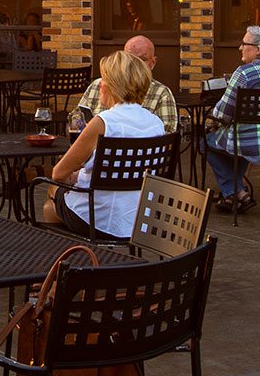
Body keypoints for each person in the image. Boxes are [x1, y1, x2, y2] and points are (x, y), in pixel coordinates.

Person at [43, 51, 169, 240]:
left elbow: (59, 174)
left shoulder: (102, 122)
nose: (100, 84)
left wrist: (75, 177)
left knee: (51, 195)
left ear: (112, 85)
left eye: (103, 79)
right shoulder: (156, 123)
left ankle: (66, 260)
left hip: (98, 219)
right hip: (139, 219)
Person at [204, 25, 260, 213]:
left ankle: (234, 192)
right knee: (238, 136)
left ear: (259, 49)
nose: (240, 48)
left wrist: (211, 120)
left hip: (248, 143)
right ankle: (235, 194)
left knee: (205, 142)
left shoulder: (244, 73)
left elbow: (222, 114)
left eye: (244, 43)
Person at [70, 35, 178, 132]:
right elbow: (75, 118)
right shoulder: (97, 85)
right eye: (130, 59)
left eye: (142, 59)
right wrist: (84, 127)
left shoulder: (161, 93)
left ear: (153, 63)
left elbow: (168, 137)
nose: (135, 65)